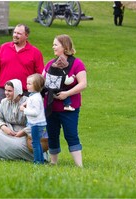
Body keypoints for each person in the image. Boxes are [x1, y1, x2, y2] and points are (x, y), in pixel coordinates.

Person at [0, 23, 45, 151]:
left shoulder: (35, 53)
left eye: (19, 33)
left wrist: (39, 95)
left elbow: (40, 75)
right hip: (4, 91)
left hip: (26, 94)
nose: (15, 35)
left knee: (29, 121)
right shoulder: (3, 48)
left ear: (26, 36)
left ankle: (31, 150)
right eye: (14, 32)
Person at [42, 34, 87, 167]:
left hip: (69, 108)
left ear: (64, 46)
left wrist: (67, 93)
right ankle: (53, 162)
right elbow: (42, 80)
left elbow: (83, 83)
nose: (53, 47)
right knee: (52, 134)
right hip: (51, 106)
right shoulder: (50, 63)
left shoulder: (77, 64)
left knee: (71, 134)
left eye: (56, 44)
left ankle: (79, 166)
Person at [0, 79, 34, 161]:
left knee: (19, 145)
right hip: (8, 131)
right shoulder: (4, 102)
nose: (6, 93)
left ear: (17, 91)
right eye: (5, 90)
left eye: (10, 91)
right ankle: (11, 154)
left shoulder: (28, 102)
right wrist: (4, 127)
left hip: (25, 134)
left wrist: (22, 132)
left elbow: (34, 122)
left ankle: (10, 154)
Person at [20, 74, 47, 164]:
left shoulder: (35, 98)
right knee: (36, 142)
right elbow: (30, 99)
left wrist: (24, 109)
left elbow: (35, 112)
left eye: (29, 84)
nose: (27, 85)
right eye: (27, 83)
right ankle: (40, 160)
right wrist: (25, 103)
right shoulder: (34, 95)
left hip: (36, 124)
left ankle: (38, 161)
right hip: (37, 123)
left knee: (35, 143)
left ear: (36, 85)